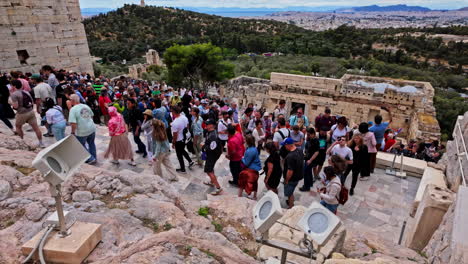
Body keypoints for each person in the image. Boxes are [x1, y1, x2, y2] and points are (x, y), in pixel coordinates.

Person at [9, 80, 44, 146]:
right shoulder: (26, 92)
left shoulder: (14, 94)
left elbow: (15, 106)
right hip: (30, 111)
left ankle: (22, 142)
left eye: (11, 85)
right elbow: (32, 102)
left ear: (14, 86)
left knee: (18, 127)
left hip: (22, 113)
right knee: (36, 128)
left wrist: (11, 103)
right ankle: (41, 143)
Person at [69, 94, 97, 164]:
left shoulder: (73, 109)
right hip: (91, 128)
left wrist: (72, 132)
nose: (69, 101)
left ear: (72, 101)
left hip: (82, 131)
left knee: (81, 146)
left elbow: (73, 123)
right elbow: (92, 115)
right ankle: (94, 157)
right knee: (91, 143)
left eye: (70, 100)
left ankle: (90, 158)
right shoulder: (85, 106)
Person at [202, 119, 223, 195]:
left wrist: (204, 146)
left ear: (212, 125)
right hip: (212, 154)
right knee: (211, 168)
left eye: (207, 124)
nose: (206, 125)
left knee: (209, 171)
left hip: (212, 155)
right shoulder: (210, 132)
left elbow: (212, 148)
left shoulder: (213, 135)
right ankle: (212, 181)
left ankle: (218, 188)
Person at [282, 137, 304, 208]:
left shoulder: (290, 156)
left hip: (292, 179)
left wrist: (286, 180)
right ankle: (291, 202)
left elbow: (290, 171)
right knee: (291, 191)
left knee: (289, 193)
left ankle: (291, 206)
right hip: (298, 176)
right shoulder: (300, 150)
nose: (284, 147)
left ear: (288, 145)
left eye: (284, 145)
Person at [171, 106, 194, 173]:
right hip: (184, 138)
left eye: (172, 111)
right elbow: (187, 126)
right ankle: (190, 161)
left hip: (178, 140)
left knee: (179, 155)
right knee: (182, 150)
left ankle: (183, 168)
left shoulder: (175, 123)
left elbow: (175, 135)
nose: (171, 112)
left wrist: (173, 143)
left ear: (174, 112)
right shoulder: (184, 117)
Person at [239, 135, 262, 199]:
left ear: (247, 142)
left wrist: (242, 158)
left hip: (251, 170)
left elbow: (246, 163)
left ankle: (243, 195)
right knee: (254, 183)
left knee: (242, 177)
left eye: (245, 140)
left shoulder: (250, 151)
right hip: (255, 170)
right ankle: (254, 196)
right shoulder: (254, 148)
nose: (244, 141)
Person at [300, 128, 320, 192]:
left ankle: (306, 187)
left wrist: (310, 160)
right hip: (307, 158)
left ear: (313, 134)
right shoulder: (309, 139)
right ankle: (310, 184)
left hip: (311, 160)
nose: (307, 136)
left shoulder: (316, 141)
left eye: (309, 134)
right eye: (307, 134)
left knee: (306, 172)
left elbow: (316, 152)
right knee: (308, 172)